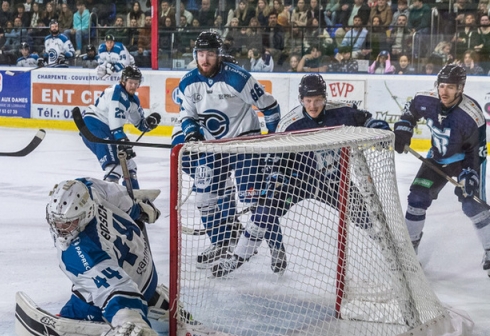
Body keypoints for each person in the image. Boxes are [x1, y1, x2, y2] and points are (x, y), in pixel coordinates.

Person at [212, 74, 390, 276]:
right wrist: (276, 177)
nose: (312, 106)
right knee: (264, 211)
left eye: (317, 100)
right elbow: (275, 159)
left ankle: (392, 256)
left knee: (364, 217)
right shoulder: (290, 123)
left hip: (333, 181)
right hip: (298, 181)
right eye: (308, 101)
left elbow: (367, 120)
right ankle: (238, 257)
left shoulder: (342, 112)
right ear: (301, 100)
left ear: (325, 98)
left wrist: (377, 127)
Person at [34, 177, 166, 336]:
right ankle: (155, 298)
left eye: (69, 223)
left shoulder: (83, 253)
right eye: (56, 221)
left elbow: (119, 291)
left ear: (85, 214)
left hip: (131, 284)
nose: (60, 229)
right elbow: (121, 197)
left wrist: (130, 321)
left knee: (76, 311)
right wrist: (137, 209)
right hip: (145, 269)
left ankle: (134, 328)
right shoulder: (90, 189)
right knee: (94, 281)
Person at [170, 31, 281, 268]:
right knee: (203, 198)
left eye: (210, 53)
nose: (205, 59)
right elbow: (186, 114)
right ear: (195, 55)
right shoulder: (188, 82)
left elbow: (270, 107)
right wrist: (191, 130)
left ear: (219, 54)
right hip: (213, 147)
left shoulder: (238, 78)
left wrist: (272, 142)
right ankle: (223, 241)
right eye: (201, 54)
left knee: (256, 200)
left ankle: (276, 245)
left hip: (244, 144)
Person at [394, 64, 490, 276]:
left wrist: (469, 177)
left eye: (451, 87)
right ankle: (409, 254)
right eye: (442, 85)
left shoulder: (471, 115)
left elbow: (477, 153)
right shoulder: (425, 99)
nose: (444, 91)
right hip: (436, 160)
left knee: (472, 205)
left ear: (461, 88)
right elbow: (410, 112)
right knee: (417, 198)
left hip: (465, 161)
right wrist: (404, 127)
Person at [80, 66, 161, 189]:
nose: (133, 85)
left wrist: (148, 124)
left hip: (107, 130)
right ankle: (108, 197)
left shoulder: (133, 100)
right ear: (123, 81)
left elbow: (139, 124)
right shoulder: (116, 93)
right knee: (114, 166)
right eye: (130, 82)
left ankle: (133, 197)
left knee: (129, 165)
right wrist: (122, 141)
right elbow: (115, 123)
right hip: (94, 126)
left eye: (136, 83)